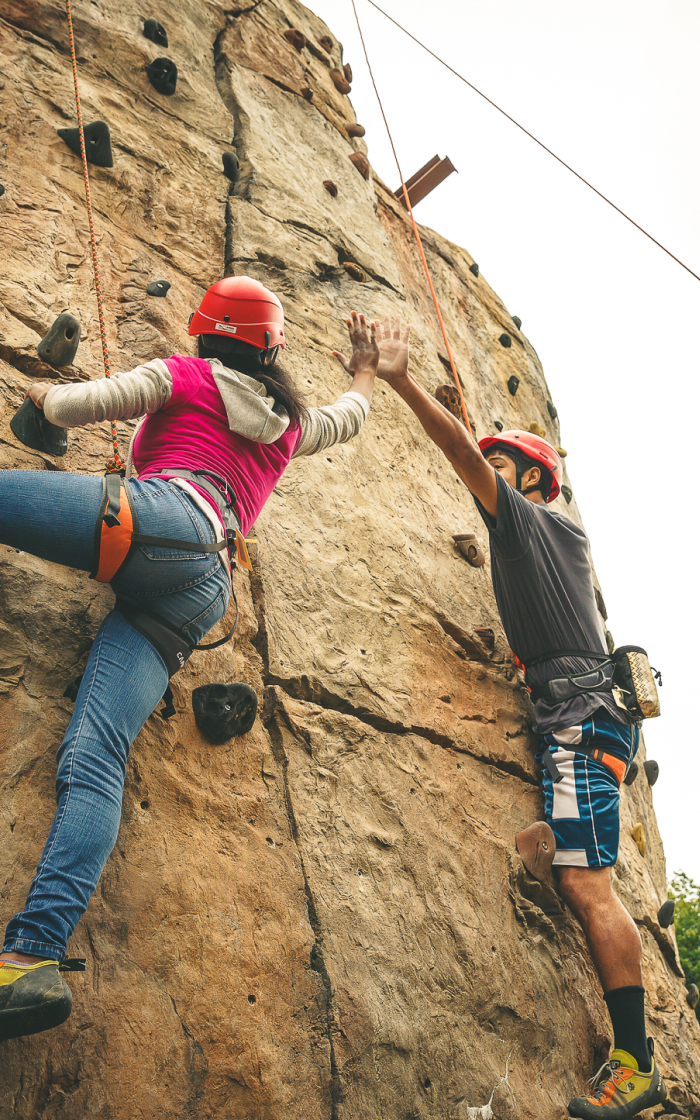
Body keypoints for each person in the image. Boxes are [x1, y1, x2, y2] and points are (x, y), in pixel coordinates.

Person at [0, 277, 383, 1043]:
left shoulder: (188, 374)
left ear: (207, 332)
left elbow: (90, 402)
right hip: (203, 588)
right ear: (270, 348)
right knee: (98, 754)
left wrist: (43, 407)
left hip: (157, 520)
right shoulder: (290, 423)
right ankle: (28, 960)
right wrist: (368, 372)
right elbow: (348, 419)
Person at [376, 314, 666, 1120]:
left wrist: (401, 381)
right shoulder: (550, 545)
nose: (489, 481)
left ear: (531, 482)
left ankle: (637, 1065)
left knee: (587, 884)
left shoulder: (532, 521)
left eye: (505, 470)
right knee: (565, 864)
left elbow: (464, 455)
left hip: (578, 721)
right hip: (574, 713)